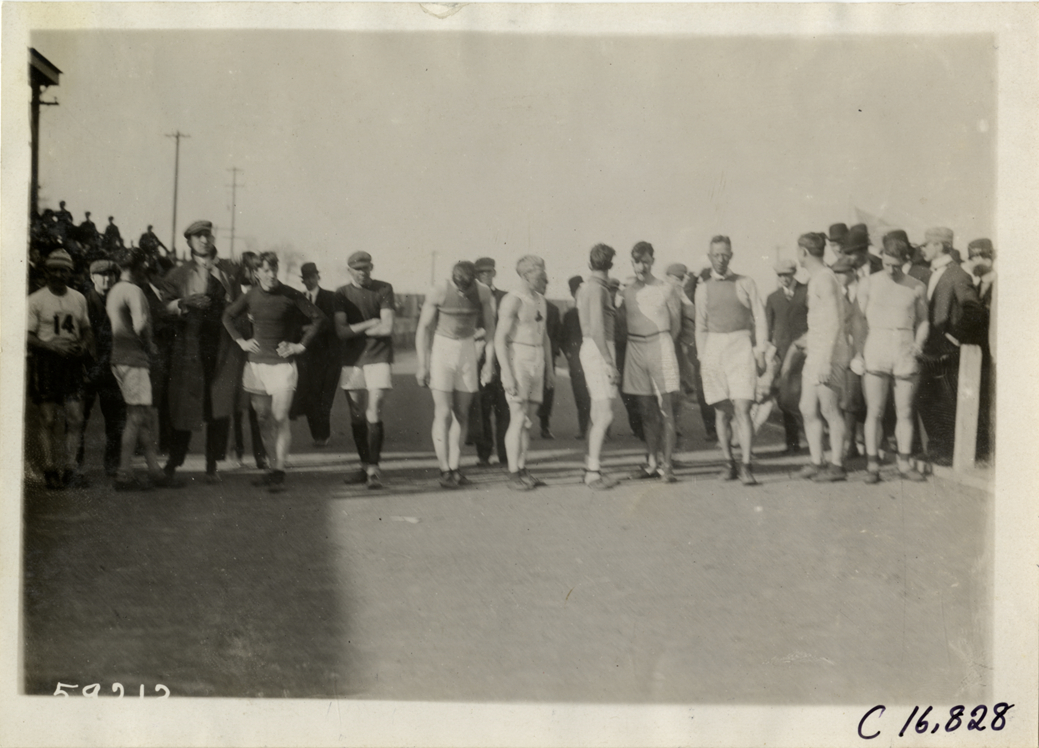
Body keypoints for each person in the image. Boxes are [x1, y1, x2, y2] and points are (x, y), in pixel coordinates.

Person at [222, 252, 326, 492]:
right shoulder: (250, 296)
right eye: (265, 271)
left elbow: (319, 318)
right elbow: (227, 316)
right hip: (256, 366)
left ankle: (278, 470)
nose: (270, 275)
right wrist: (241, 341)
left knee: (279, 418)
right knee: (262, 419)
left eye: (273, 270)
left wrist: (299, 345)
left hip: (282, 366)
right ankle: (271, 467)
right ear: (257, 273)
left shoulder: (291, 294)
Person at [158, 220, 241, 483]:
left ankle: (212, 465)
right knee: (185, 404)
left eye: (207, 235)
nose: (204, 240)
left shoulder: (229, 270)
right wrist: (185, 302)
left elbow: (241, 304)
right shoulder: (178, 274)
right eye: (198, 237)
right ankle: (173, 462)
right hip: (190, 346)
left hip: (222, 346)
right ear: (190, 242)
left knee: (218, 405)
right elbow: (162, 307)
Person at [850, 235, 929, 483]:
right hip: (877, 346)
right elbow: (857, 320)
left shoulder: (916, 286)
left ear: (905, 261)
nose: (891, 269)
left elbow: (924, 320)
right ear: (881, 258)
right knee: (875, 410)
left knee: (905, 410)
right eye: (886, 264)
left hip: (904, 346)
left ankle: (904, 464)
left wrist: (919, 343)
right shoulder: (868, 283)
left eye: (896, 265)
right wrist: (858, 352)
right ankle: (873, 466)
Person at [416, 261, 496, 488]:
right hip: (443, 349)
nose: (462, 291)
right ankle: (443, 469)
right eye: (459, 287)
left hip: (467, 351)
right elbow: (423, 328)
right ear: (452, 279)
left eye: (466, 288)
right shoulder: (438, 290)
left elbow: (490, 328)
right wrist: (423, 364)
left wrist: (489, 362)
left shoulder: (482, 291)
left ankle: (455, 466)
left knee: (462, 413)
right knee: (443, 413)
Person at [694, 236, 768, 485]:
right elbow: (700, 326)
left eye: (725, 254)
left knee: (743, 408)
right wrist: (703, 357)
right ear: (709, 256)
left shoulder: (746, 282)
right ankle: (729, 463)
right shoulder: (702, 288)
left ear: (731, 255)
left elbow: (760, 317)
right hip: (714, 348)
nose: (721, 259)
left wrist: (760, 352)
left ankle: (747, 465)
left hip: (741, 346)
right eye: (716, 255)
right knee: (722, 412)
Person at [107, 247, 180, 490]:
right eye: (143, 269)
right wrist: (151, 347)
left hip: (120, 358)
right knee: (137, 417)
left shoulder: (115, 290)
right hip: (134, 360)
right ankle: (124, 474)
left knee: (143, 417)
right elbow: (140, 326)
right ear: (138, 268)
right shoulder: (135, 291)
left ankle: (154, 471)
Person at [27, 249, 94, 489]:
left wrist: (84, 345)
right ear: (46, 271)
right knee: (47, 419)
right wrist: (51, 347)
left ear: (70, 272)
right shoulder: (36, 299)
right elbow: (26, 335)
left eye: (63, 270)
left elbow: (86, 328)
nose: (58, 274)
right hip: (47, 364)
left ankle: (70, 468)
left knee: (75, 418)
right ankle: (49, 468)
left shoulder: (78, 298)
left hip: (71, 365)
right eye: (54, 269)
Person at [916, 226, 984, 466]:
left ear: (940, 246)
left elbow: (974, 310)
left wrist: (954, 337)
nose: (923, 248)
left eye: (927, 244)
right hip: (928, 351)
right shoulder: (928, 273)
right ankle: (936, 448)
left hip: (946, 352)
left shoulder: (958, 275)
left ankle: (948, 451)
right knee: (926, 399)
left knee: (946, 401)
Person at [334, 252, 396, 489]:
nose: (363, 273)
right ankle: (364, 465)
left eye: (366, 268)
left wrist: (353, 329)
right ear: (349, 270)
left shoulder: (384, 288)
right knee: (357, 414)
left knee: (374, 412)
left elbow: (388, 327)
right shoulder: (341, 294)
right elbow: (340, 332)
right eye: (358, 269)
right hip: (352, 359)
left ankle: (374, 468)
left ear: (372, 267)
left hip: (379, 356)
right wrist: (371, 322)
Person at [622, 241, 682, 483]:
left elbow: (676, 323)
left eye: (646, 261)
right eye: (637, 262)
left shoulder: (666, 288)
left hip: (661, 345)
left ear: (653, 261)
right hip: (635, 349)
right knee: (646, 411)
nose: (641, 266)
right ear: (632, 263)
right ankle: (651, 463)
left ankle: (667, 466)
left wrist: (663, 343)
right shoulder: (626, 291)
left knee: (666, 409)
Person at [495, 256, 555, 490]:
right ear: (526, 275)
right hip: (517, 357)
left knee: (528, 421)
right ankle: (513, 473)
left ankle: (523, 469)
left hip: (537, 358)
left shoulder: (540, 300)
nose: (546, 279)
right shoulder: (512, 300)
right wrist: (507, 373)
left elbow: (545, 336)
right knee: (518, 417)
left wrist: (550, 368)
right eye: (541, 275)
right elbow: (499, 339)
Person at [797, 232, 852, 482]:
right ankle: (817, 461)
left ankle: (837, 465)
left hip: (829, 353)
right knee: (807, 408)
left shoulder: (825, 279)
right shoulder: (817, 278)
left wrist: (826, 360)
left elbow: (833, 323)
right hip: (817, 351)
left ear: (804, 253)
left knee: (829, 409)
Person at [575, 244, 621, 489]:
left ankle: (590, 465)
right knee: (605, 414)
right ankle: (593, 472)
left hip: (593, 348)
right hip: (599, 348)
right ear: (611, 265)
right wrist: (609, 362)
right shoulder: (597, 289)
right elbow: (597, 329)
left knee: (597, 413)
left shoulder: (588, 287)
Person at [78, 259, 126, 476]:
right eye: (101, 275)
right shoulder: (81, 300)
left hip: (111, 368)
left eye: (110, 275)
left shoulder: (120, 301)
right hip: (85, 368)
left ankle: (112, 464)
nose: (106, 279)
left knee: (115, 420)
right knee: (79, 418)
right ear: (92, 277)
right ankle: (76, 465)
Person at [227, 252, 268, 470]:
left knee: (256, 406)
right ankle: (236, 450)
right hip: (237, 351)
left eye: (255, 270)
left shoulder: (262, 290)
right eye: (250, 269)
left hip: (257, 353)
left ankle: (260, 454)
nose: (252, 274)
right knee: (236, 405)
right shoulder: (234, 288)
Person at [294, 261, 342, 448]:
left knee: (325, 397)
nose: (309, 281)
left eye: (312, 277)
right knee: (311, 397)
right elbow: (293, 325)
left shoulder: (331, 297)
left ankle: (324, 434)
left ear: (318, 277)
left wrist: (309, 328)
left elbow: (332, 324)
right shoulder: (299, 300)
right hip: (308, 358)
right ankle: (318, 436)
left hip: (329, 357)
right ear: (303, 280)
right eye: (305, 278)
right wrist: (304, 329)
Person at [764, 259, 808, 454]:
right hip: (783, 355)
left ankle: (816, 438)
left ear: (794, 274)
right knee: (785, 398)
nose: (783, 279)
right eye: (780, 275)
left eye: (787, 275)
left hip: (805, 352)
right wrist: (770, 352)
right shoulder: (773, 298)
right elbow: (768, 329)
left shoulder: (806, 292)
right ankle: (792, 443)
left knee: (807, 395)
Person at [472, 257, 509, 467]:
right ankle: (484, 454)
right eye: (480, 272)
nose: (484, 275)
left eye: (488, 272)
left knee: (504, 408)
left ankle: (504, 454)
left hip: (502, 358)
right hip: (479, 358)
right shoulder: (471, 297)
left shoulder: (504, 297)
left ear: (494, 273)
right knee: (481, 408)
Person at [664, 263, 698, 450]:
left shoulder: (682, 297)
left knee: (676, 398)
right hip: (664, 350)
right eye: (675, 278)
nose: (677, 282)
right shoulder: (666, 293)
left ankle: (673, 436)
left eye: (680, 278)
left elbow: (689, 325)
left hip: (677, 351)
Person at [560, 275, 591, 439]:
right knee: (581, 396)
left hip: (592, 358)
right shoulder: (569, 315)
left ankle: (601, 430)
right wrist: (570, 355)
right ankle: (583, 428)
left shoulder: (592, 311)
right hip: (577, 362)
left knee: (596, 394)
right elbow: (563, 339)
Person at [535, 295, 562, 439]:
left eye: (544, 283)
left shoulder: (553, 309)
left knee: (548, 389)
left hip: (548, 355)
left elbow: (557, 333)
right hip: (528, 351)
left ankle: (544, 426)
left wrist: (554, 352)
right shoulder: (523, 303)